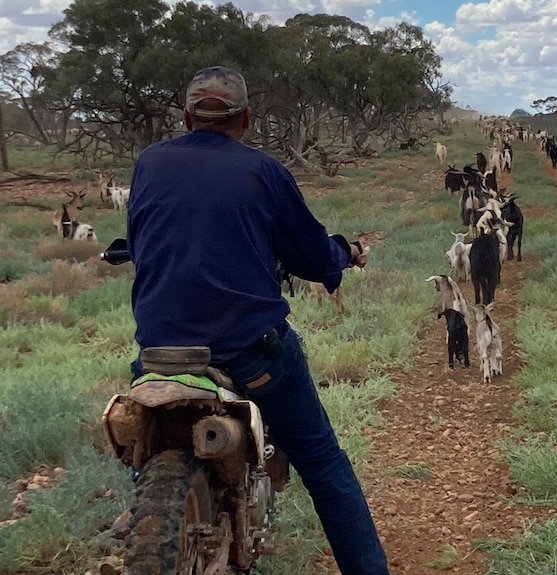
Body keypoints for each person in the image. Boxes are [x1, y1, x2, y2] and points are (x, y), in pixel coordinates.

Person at [126, 66, 390, 575]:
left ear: (185, 117)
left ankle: (149, 514)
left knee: (142, 448)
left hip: (160, 352)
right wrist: (346, 253)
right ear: (245, 118)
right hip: (248, 353)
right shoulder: (263, 171)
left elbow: (140, 241)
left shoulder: (149, 163)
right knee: (323, 463)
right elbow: (313, 258)